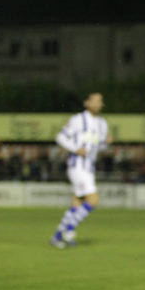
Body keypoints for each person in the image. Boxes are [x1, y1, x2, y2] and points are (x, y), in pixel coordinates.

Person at [49, 92, 111, 248]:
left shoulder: (102, 124)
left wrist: (106, 143)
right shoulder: (77, 120)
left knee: (77, 203)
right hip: (77, 166)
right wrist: (76, 148)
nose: (98, 104)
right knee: (93, 200)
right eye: (95, 101)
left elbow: (98, 146)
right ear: (87, 103)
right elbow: (60, 137)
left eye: (100, 101)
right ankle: (68, 230)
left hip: (89, 168)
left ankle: (57, 236)